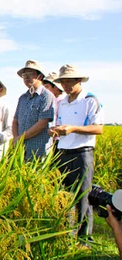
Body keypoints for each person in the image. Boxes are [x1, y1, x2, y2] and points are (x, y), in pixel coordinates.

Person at [49, 64, 104, 240]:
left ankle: (84, 238)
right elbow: (61, 124)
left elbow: (98, 128)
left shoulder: (90, 100)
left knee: (83, 195)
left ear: (78, 80)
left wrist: (73, 129)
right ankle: (67, 231)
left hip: (82, 152)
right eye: (62, 82)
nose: (65, 86)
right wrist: (56, 131)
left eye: (69, 81)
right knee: (64, 193)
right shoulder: (63, 102)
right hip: (63, 151)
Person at [12, 60, 55, 161]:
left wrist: (20, 138)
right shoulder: (22, 98)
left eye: (30, 74)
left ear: (40, 76)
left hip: (38, 150)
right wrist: (15, 139)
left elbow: (42, 124)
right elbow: (15, 121)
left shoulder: (46, 96)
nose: (26, 77)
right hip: (21, 149)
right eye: (24, 75)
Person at [43, 72, 66, 154]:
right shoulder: (48, 102)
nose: (44, 90)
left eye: (46, 87)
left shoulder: (63, 102)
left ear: (56, 87)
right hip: (49, 140)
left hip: (60, 141)